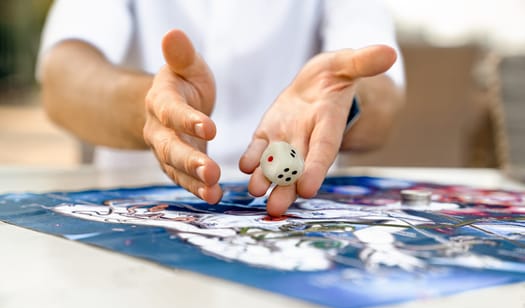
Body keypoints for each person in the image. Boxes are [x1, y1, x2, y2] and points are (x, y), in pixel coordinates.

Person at [37, 0, 406, 217]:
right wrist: (157, 108)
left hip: (298, 211)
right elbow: (62, 77)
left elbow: (383, 97)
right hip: (133, 213)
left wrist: (341, 103)